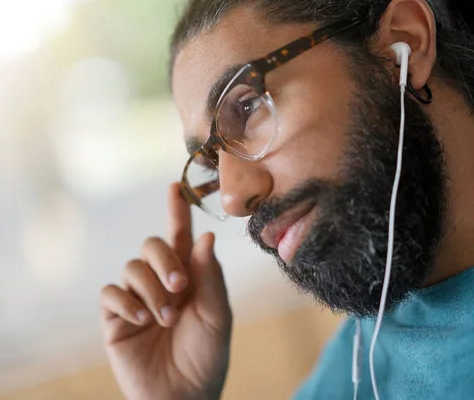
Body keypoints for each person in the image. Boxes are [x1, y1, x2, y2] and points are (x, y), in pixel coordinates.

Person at [100, 0, 474, 398]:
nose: (233, 198)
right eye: (212, 165)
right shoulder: (357, 356)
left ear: (406, 42)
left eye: (247, 107)